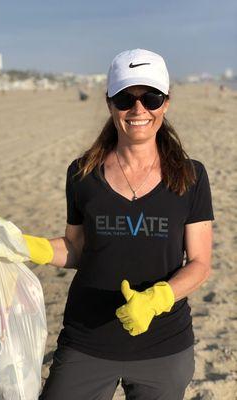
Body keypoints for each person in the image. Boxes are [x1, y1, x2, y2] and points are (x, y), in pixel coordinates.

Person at [23, 49, 214, 400]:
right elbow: (77, 248)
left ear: (166, 103)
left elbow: (201, 263)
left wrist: (158, 299)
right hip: (87, 340)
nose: (139, 110)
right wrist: (22, 245)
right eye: (126, 98)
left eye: (151, 98)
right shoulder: (82, 173)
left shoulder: (190, 175)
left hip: (164, 347)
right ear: (109, 103)